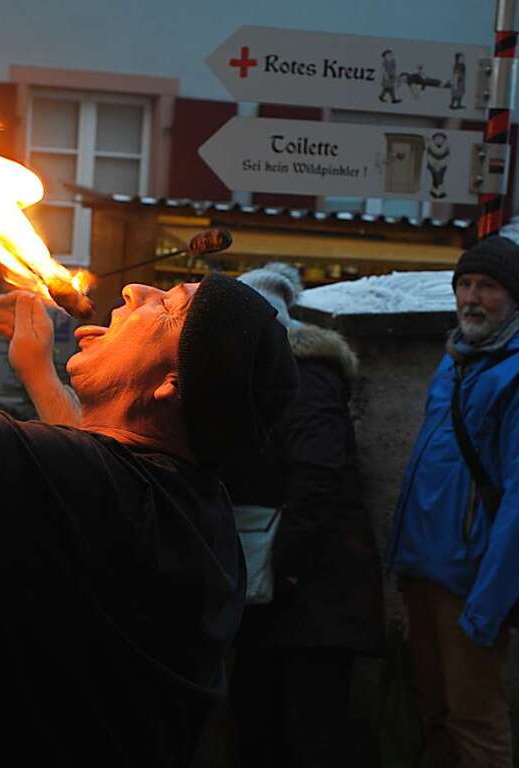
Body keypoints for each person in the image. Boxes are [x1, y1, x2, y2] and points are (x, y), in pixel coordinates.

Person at [0, 118, 297, 766]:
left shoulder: (116, 501)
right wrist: (39, 369)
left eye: (168, 305)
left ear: (171, 384)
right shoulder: (173, 507)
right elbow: (86, 486)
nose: (135, 290)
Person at [386, 237, 519, 767]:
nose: (472, 298)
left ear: (515, 298)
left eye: (489, 287)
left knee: (476, 725)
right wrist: (403, 562)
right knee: (435, 720)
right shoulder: (459, 360)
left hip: (471, 582)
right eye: (465, 284)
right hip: (424, 571)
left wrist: (488, 603)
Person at [223, 263, 386, 767]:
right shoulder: (255, 379)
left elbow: (319, 477)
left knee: (308, 734)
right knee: (261, 725)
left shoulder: (306, 379)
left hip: (310, 598)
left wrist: (283, 565)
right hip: (275, 594)